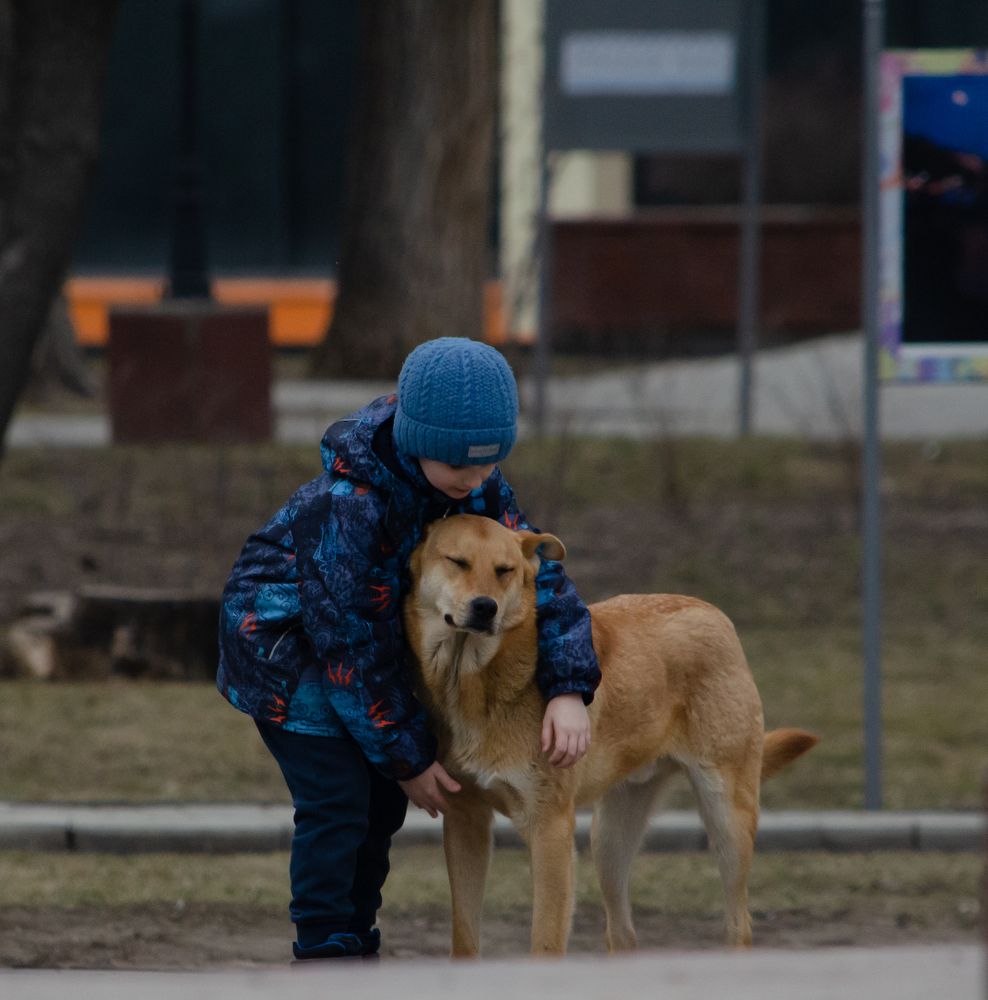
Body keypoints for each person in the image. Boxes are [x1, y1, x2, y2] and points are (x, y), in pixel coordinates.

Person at [217, 337, 600, 960]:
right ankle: (323, 947)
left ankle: (357, 935)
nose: (477, 482)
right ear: (418, 442)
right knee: (339, 799)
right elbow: (351, 646)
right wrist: (411, 759)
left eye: (489, 465)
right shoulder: (350, 508)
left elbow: (542, 581)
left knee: (381, 806)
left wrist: (568, 686)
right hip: (288, 651)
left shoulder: (471, 485)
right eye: (461, 469)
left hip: (367, 651)